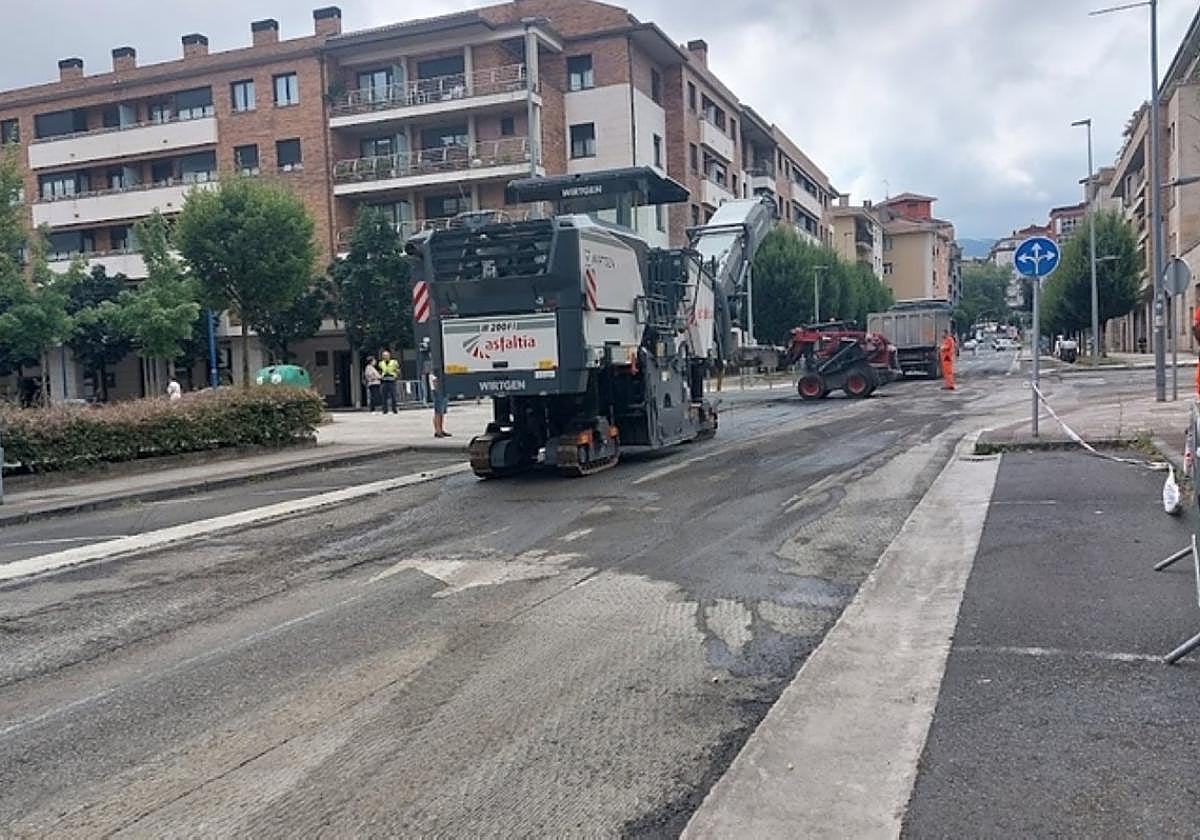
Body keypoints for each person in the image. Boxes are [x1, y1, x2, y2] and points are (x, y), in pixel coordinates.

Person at [430, 369, 451, 438]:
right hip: (438, 391)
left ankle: (441, 429)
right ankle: (438, 431)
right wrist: (437, 389)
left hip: (442, 389)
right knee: (438, 412)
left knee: (441, 412)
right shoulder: (434, 367)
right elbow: (434, 380)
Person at [378, 350, 400, 414]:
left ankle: (394, 409)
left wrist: (396, 375)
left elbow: (398, 370)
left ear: (389, 355)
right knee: (384, 396)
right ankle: (385, 410)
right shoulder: (381, 363)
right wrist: (380, 376)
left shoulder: (394, 362)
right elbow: (379, 371)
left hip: (391, 380)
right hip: (384, 380)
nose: (385, 356)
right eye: (384, 355)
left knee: (393, 396)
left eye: (386, 355)